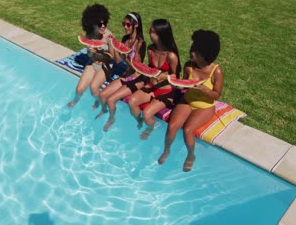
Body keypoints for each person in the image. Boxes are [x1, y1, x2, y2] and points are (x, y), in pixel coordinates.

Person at [157, 29, 223, 172]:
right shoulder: (189, 66)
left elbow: (217, 95)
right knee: (172, 126)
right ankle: (167, 150)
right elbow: (182, 83)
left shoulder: (216, 71)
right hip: (188, 100)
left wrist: (206, 91)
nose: (190, 51)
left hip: (205, 106)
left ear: (205, 54)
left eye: (195, 50)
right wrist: (169, 79)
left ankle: (190, 155)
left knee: (188, 130)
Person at [127, 19, 181, 140]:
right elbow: (150, 68)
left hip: (166, 91)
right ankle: (141, 122)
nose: (149, 33)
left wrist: (166, 76)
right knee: (132, 102)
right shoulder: (150, 49)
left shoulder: (171, 56)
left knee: (147, 113)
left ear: (160, 34)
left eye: (151, 31)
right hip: (151, 87)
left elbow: (176, 77)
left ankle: (150, 129)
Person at [94, 12, 147, 132]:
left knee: (111, 99)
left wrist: (124, 54)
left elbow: (136, 67)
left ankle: (113, 119)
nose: (125, 27)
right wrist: (113, 46)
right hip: (126, 75)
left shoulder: (141, 43)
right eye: (124, 24)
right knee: (103, 95)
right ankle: (105, 112)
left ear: (136, 25)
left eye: (128, 24)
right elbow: (118, 61)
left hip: (137, 78)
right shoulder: (125, 39)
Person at [67, 4, 116, 108]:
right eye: (100, 24)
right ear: (92, 24)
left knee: (94, 87)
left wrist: (101, 50)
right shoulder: (89, 35)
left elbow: (113, 56)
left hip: (106, 65)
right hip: (93, 63)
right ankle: (75, 100)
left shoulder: (108, 35)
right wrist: (91, 52)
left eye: (105, 23)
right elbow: (90, 55)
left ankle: (101, 104)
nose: (103, 26)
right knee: (79, 89)